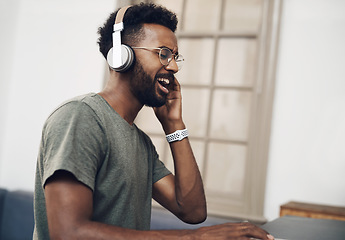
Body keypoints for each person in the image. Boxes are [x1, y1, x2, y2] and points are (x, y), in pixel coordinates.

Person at [33, 3, 274, 240]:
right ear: (121, 55)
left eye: (175, 56)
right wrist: (194, 238)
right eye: (164, 54)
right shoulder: (80, 117)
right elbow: (68, 232)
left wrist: (174, 125)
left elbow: (193, 211)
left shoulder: (141, 144)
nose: (174, 66)